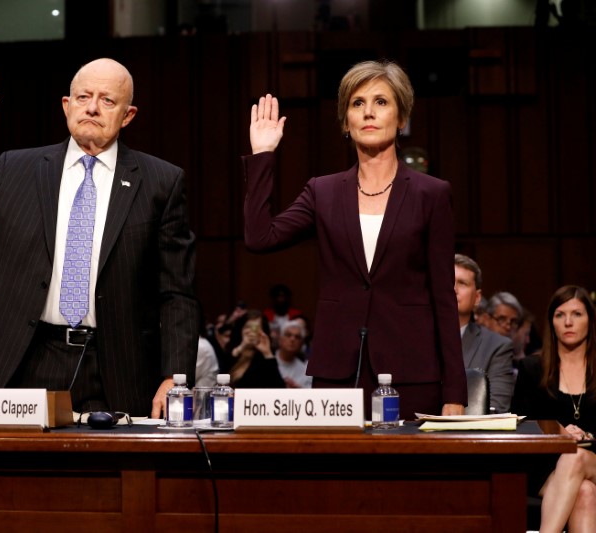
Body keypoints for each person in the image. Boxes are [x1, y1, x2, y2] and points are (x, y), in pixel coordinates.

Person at [0, 60, 199, 417]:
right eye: (83, 97)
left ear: (128, 115)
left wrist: (174, 377)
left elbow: (177, 292)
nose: (92, 107)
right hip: (23, 359)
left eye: (107, 100)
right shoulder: (16, 169)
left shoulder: (161, 181)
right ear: (66, 106)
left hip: (116, 366)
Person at [243, 59, 466, 419]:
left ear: (402, 117)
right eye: (357, 103)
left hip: (411, 373)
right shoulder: (323, 191)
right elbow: (259, 237)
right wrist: (263, 155)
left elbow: (444, 295)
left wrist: (455, 391)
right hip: (338, 373)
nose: (368, 112)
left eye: (381, 102)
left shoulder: (432, 194)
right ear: (346, 121)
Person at [511, 285, 596, 532]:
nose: (568, 322)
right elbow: (520, 423)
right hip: (546, 467)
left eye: (577, 314)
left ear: (590, 320)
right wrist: (557, 429)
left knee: (577, 456)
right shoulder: (531, 368)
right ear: (552, 322)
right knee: (585, 492)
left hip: (593, 460)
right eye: (560, 315)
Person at [453, 254, 515, 413]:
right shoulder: (413, 341)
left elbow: (496, 409)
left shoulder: (497, 347)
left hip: (471, 436)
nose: (453, 289)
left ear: (477, 298)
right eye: (447, 282)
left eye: (462, 283)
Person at [217, 309, 285, 388]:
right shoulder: (232, 351)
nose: (251, 331)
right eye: (247, 327)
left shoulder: (265, 359)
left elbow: (279, 388)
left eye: (256, 328)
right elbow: (221, 376)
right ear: (241, 329)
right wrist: (241, 347)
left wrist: (267, 353)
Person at [276, 319, 312, 388]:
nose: (292, 339)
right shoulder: (267, 360)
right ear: (280, 339)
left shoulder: (306, 369)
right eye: (288, 335)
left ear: (302, 343)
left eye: (297, 337)